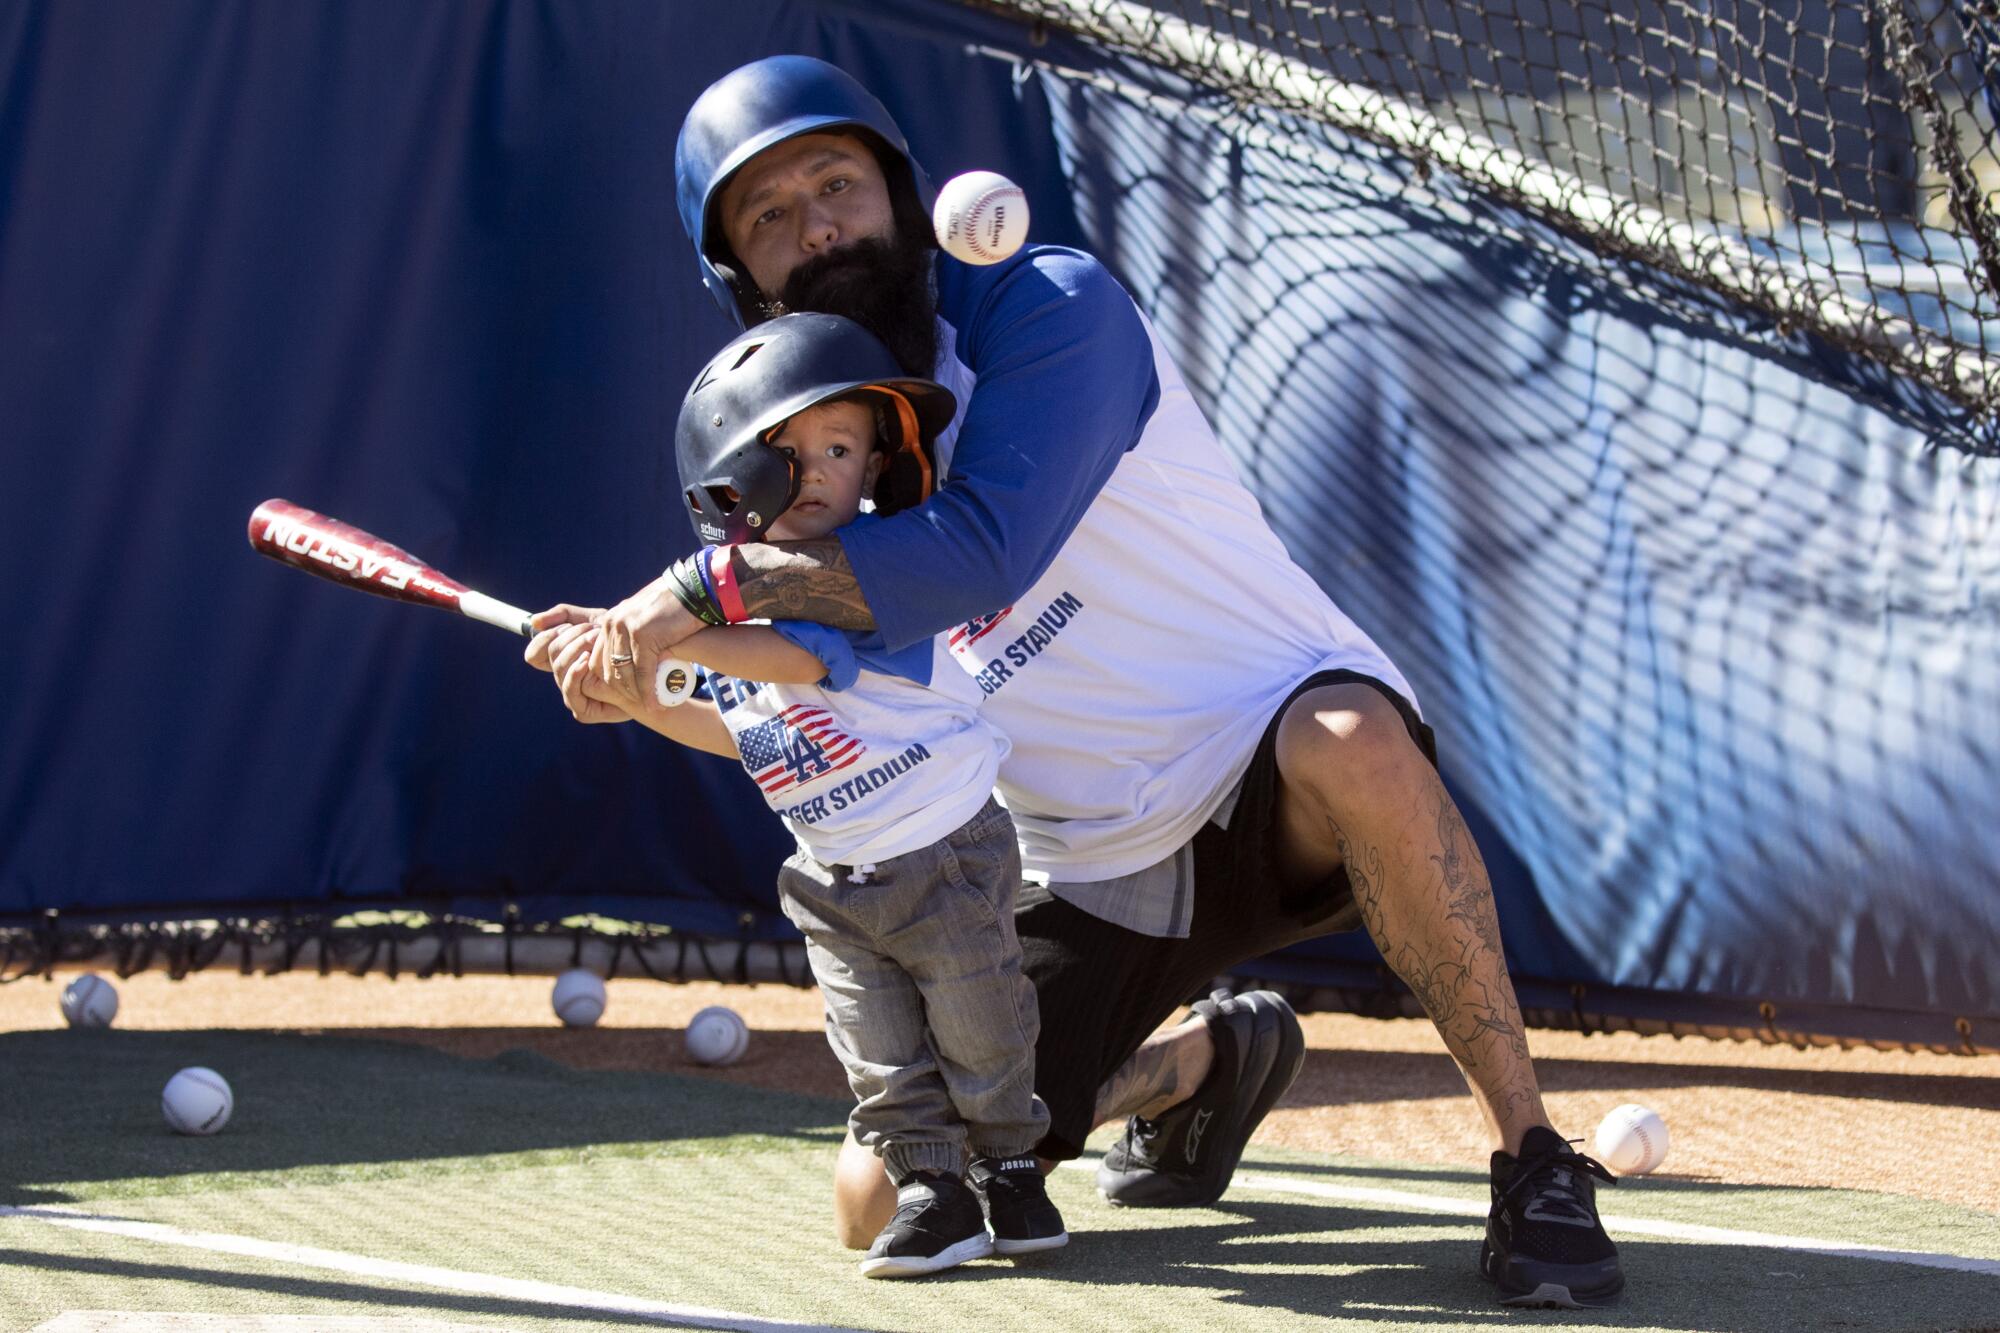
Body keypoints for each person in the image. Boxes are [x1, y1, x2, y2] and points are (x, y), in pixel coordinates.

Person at [531, 55, 1624, 1309]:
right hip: (1089, 866)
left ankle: (1531, 1153)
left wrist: (680, 600)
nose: (815, 227)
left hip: (1273, 764)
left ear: (896, 190)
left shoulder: (1048, 306)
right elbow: (798, 712)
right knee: (880, 1201)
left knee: (1351, 732)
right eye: (769, 217)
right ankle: (1201, 1065)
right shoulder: (797, 493)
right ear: (740, 277)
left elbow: (982, 548)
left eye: (833, 184)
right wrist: (645, 681)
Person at [542, 311, 1067, 1279]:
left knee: (982, 1033)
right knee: (880, 1059)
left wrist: (650, 633)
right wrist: (632, 692)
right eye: (799, 449)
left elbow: (791, 655)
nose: (830, 469)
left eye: (844, 447)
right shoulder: (717, 622)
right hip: (833, 876)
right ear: (727, 473)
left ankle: (1008, 1165)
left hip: (945, 857)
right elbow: (743, 727)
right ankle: (934, 1194)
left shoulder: (875, 572)